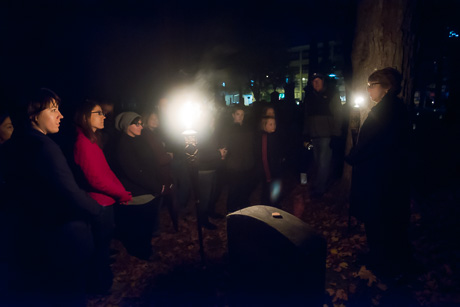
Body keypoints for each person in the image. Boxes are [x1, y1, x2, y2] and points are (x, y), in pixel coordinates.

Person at [1, 88, 101, 306]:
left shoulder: (16, 143)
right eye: (53, 110)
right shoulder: (43, 147)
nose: (61, 115)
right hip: (61, 235)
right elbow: (69, 191)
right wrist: (96, 209)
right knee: (70, 294)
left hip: (35, 236)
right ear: (33, 114)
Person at [345, 68, 412, 281]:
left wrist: (352, 156)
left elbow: (370, 142)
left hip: (379, 176)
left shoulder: (385, 111)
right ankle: (384, 257)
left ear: (386, 87)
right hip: (389, 175)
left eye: (372, 85)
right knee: (386, 219)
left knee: (377, 218)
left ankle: (381, 261)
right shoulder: (395, 107)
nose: (368, 90)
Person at [73, 100, 132, 293]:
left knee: (103, 246)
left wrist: (120, 190)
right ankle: (102, 286)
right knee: (100, 248)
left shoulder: (92, 140)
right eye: (98, 113)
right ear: (85, 117)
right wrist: (120, 193)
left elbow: (106, 171)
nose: (103, 116)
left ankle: (103, 282)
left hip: (105, 201)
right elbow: (96, 180)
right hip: (99, 204)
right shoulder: (83, 144)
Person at [112, 112, 163, 260]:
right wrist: (155, 186)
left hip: (148, 189)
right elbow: (134, 172)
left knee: (146, 224)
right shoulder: (124, 145)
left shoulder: (138, 139)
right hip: (139, 192)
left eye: (141, 123)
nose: (141, 126)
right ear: (127, 126)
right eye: (137, 124)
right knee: (141, 226)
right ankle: (142, 251)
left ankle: (144, 246)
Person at [303, 73, 342, 197]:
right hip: (314, 135)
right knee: (317, 161)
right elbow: (306, 117)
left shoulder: (331, 95)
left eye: (318, 81)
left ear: (323, 81)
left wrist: (335, 133)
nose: (316, 83)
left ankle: (320, 189)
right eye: (314, 81)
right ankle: (319, 184)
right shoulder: (310, 97)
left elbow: (338, 115)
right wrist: (306, 134)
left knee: (323, 162)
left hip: (326, 134)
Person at [222, 106, 255, 213]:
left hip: (246, 164)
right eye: (238, 114)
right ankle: (232, 210)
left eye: (242, 115)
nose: (240, 117)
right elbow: (226, 146)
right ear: (233, 115)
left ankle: (242, 207)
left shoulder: (248, 128)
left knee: (244, 187)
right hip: (234, 164)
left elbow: (251, 145)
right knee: (234, 188)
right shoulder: (228, 129)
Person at [254, 116, 284, 207]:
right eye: (270, 124)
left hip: (276, 170)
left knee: (276, 191)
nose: (273, 126)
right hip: (268, 172)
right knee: (267, 193)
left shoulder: (275, 136)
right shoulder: (264, 137)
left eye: (274, 124)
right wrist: (268, 175)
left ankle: (276, 206)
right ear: (264, 126)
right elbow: (264, 156)